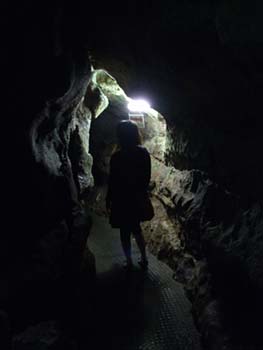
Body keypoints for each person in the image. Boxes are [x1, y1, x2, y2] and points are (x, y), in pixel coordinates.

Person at [106, 120, 151, 270]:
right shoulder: (143, 153)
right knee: (136, 228)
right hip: (136, 196)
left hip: (121, 197)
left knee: (124, 231)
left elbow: (112, 180)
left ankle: (129, 260)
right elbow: (146, 177)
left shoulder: (116, 156)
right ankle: (144, 258)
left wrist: (109, 198)